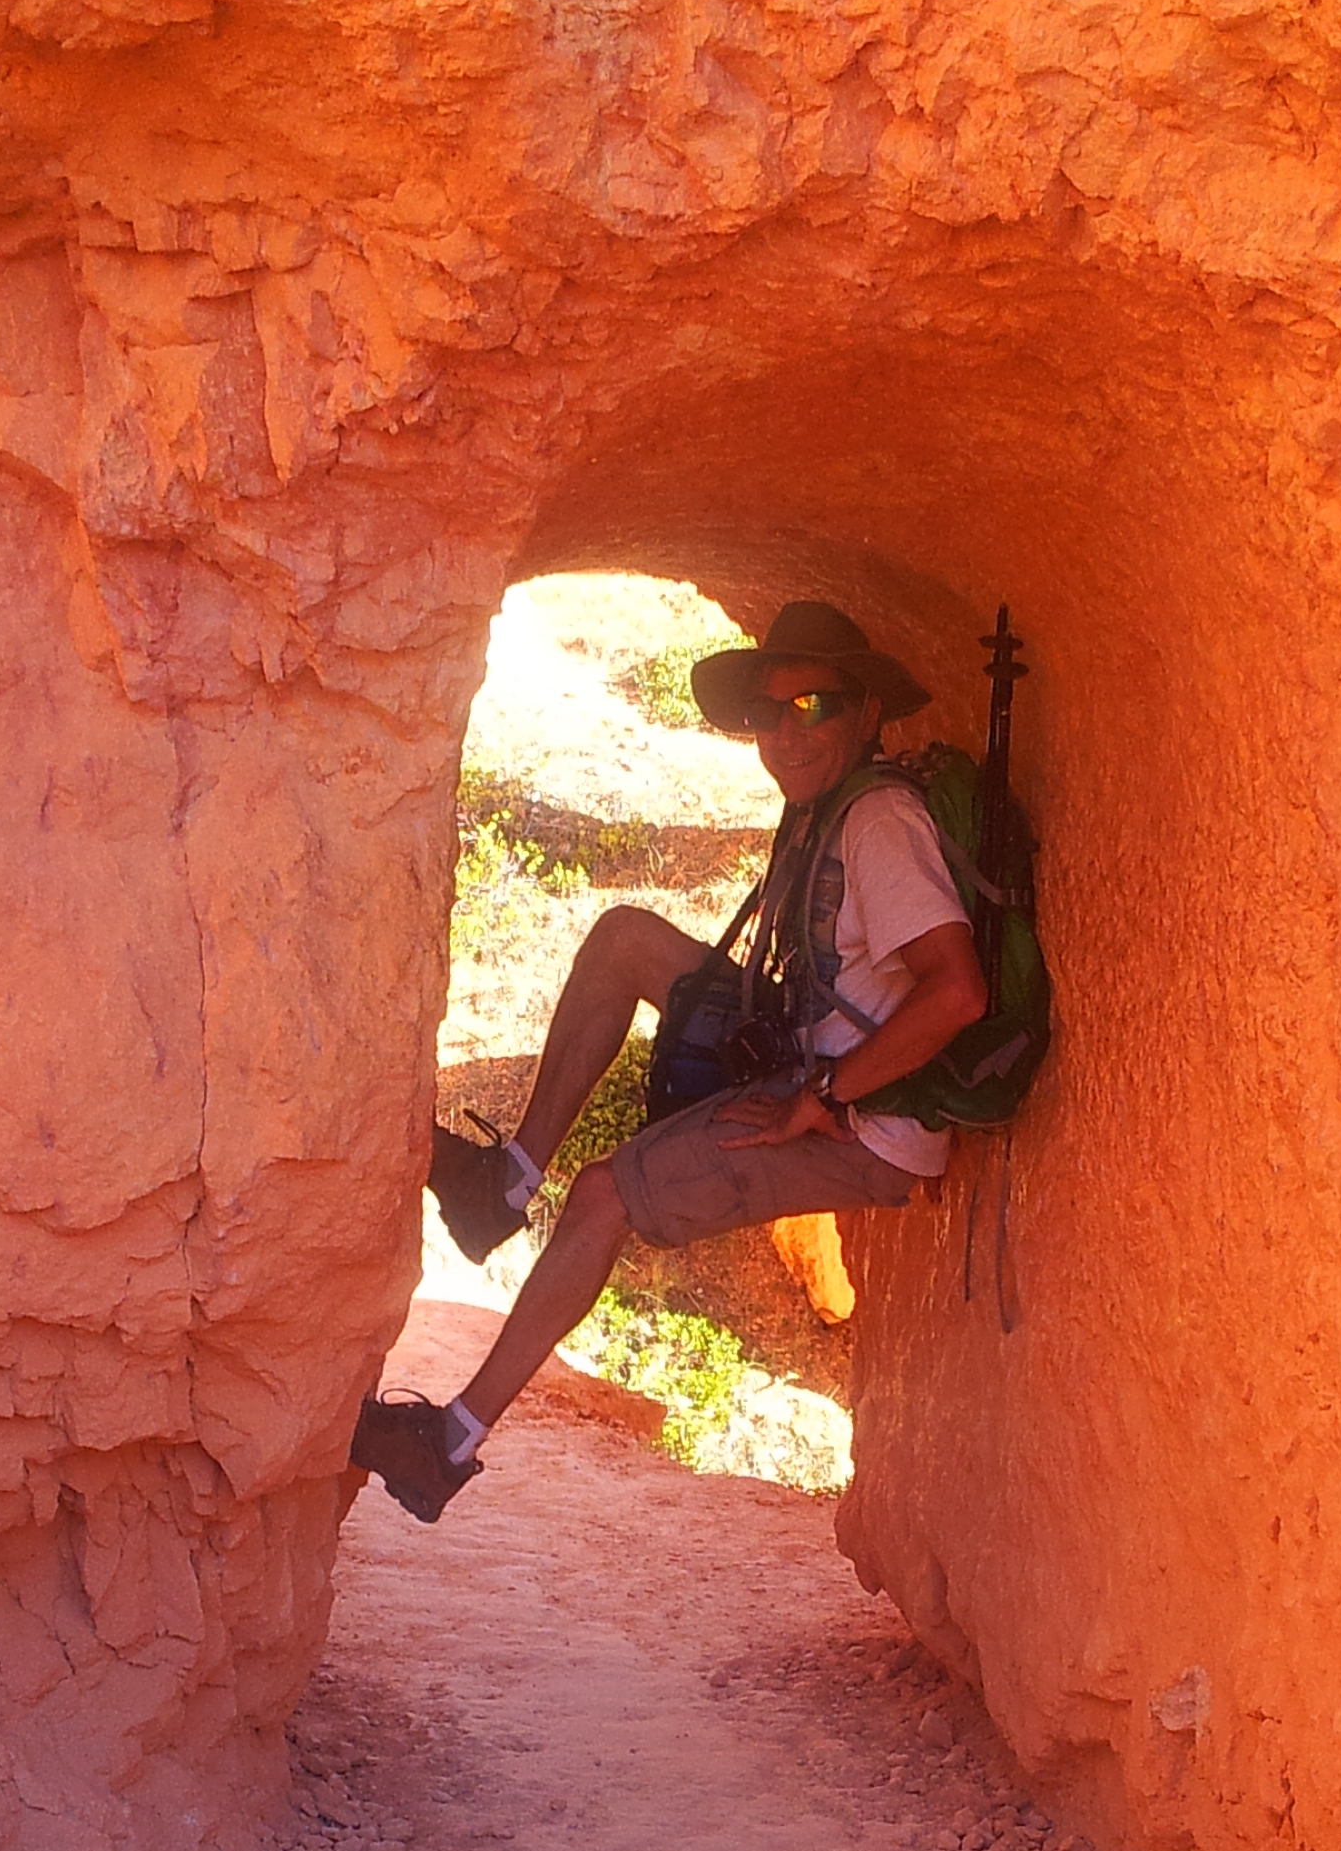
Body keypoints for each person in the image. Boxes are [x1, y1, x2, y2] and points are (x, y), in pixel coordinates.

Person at [349, 598, 988, 1523]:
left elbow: (956, 990)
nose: (785, 733)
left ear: (866, 715)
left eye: (812, 707)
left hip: (861, 1120)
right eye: (770, 712)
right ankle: (503, 1185)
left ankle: (445, 1446)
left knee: (606, 1193)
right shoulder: (825, 806)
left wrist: (824, 1093)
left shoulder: (879, 824)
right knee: (624, 941)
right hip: (806, 1051)